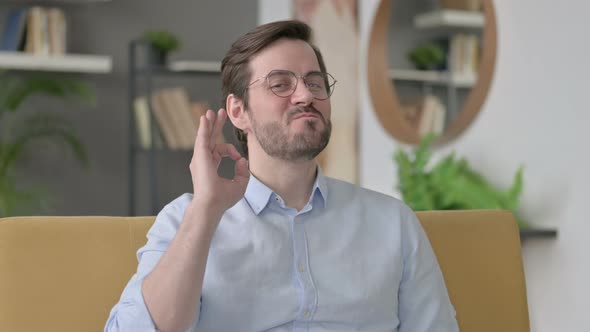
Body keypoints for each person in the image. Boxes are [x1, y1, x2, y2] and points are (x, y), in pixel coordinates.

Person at [105, 20, 459, 332]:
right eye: (280, 84)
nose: (306, 95)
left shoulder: (393, 223)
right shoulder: (184, 220)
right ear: (238, 111)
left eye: (315, 83)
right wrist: (206, 210)